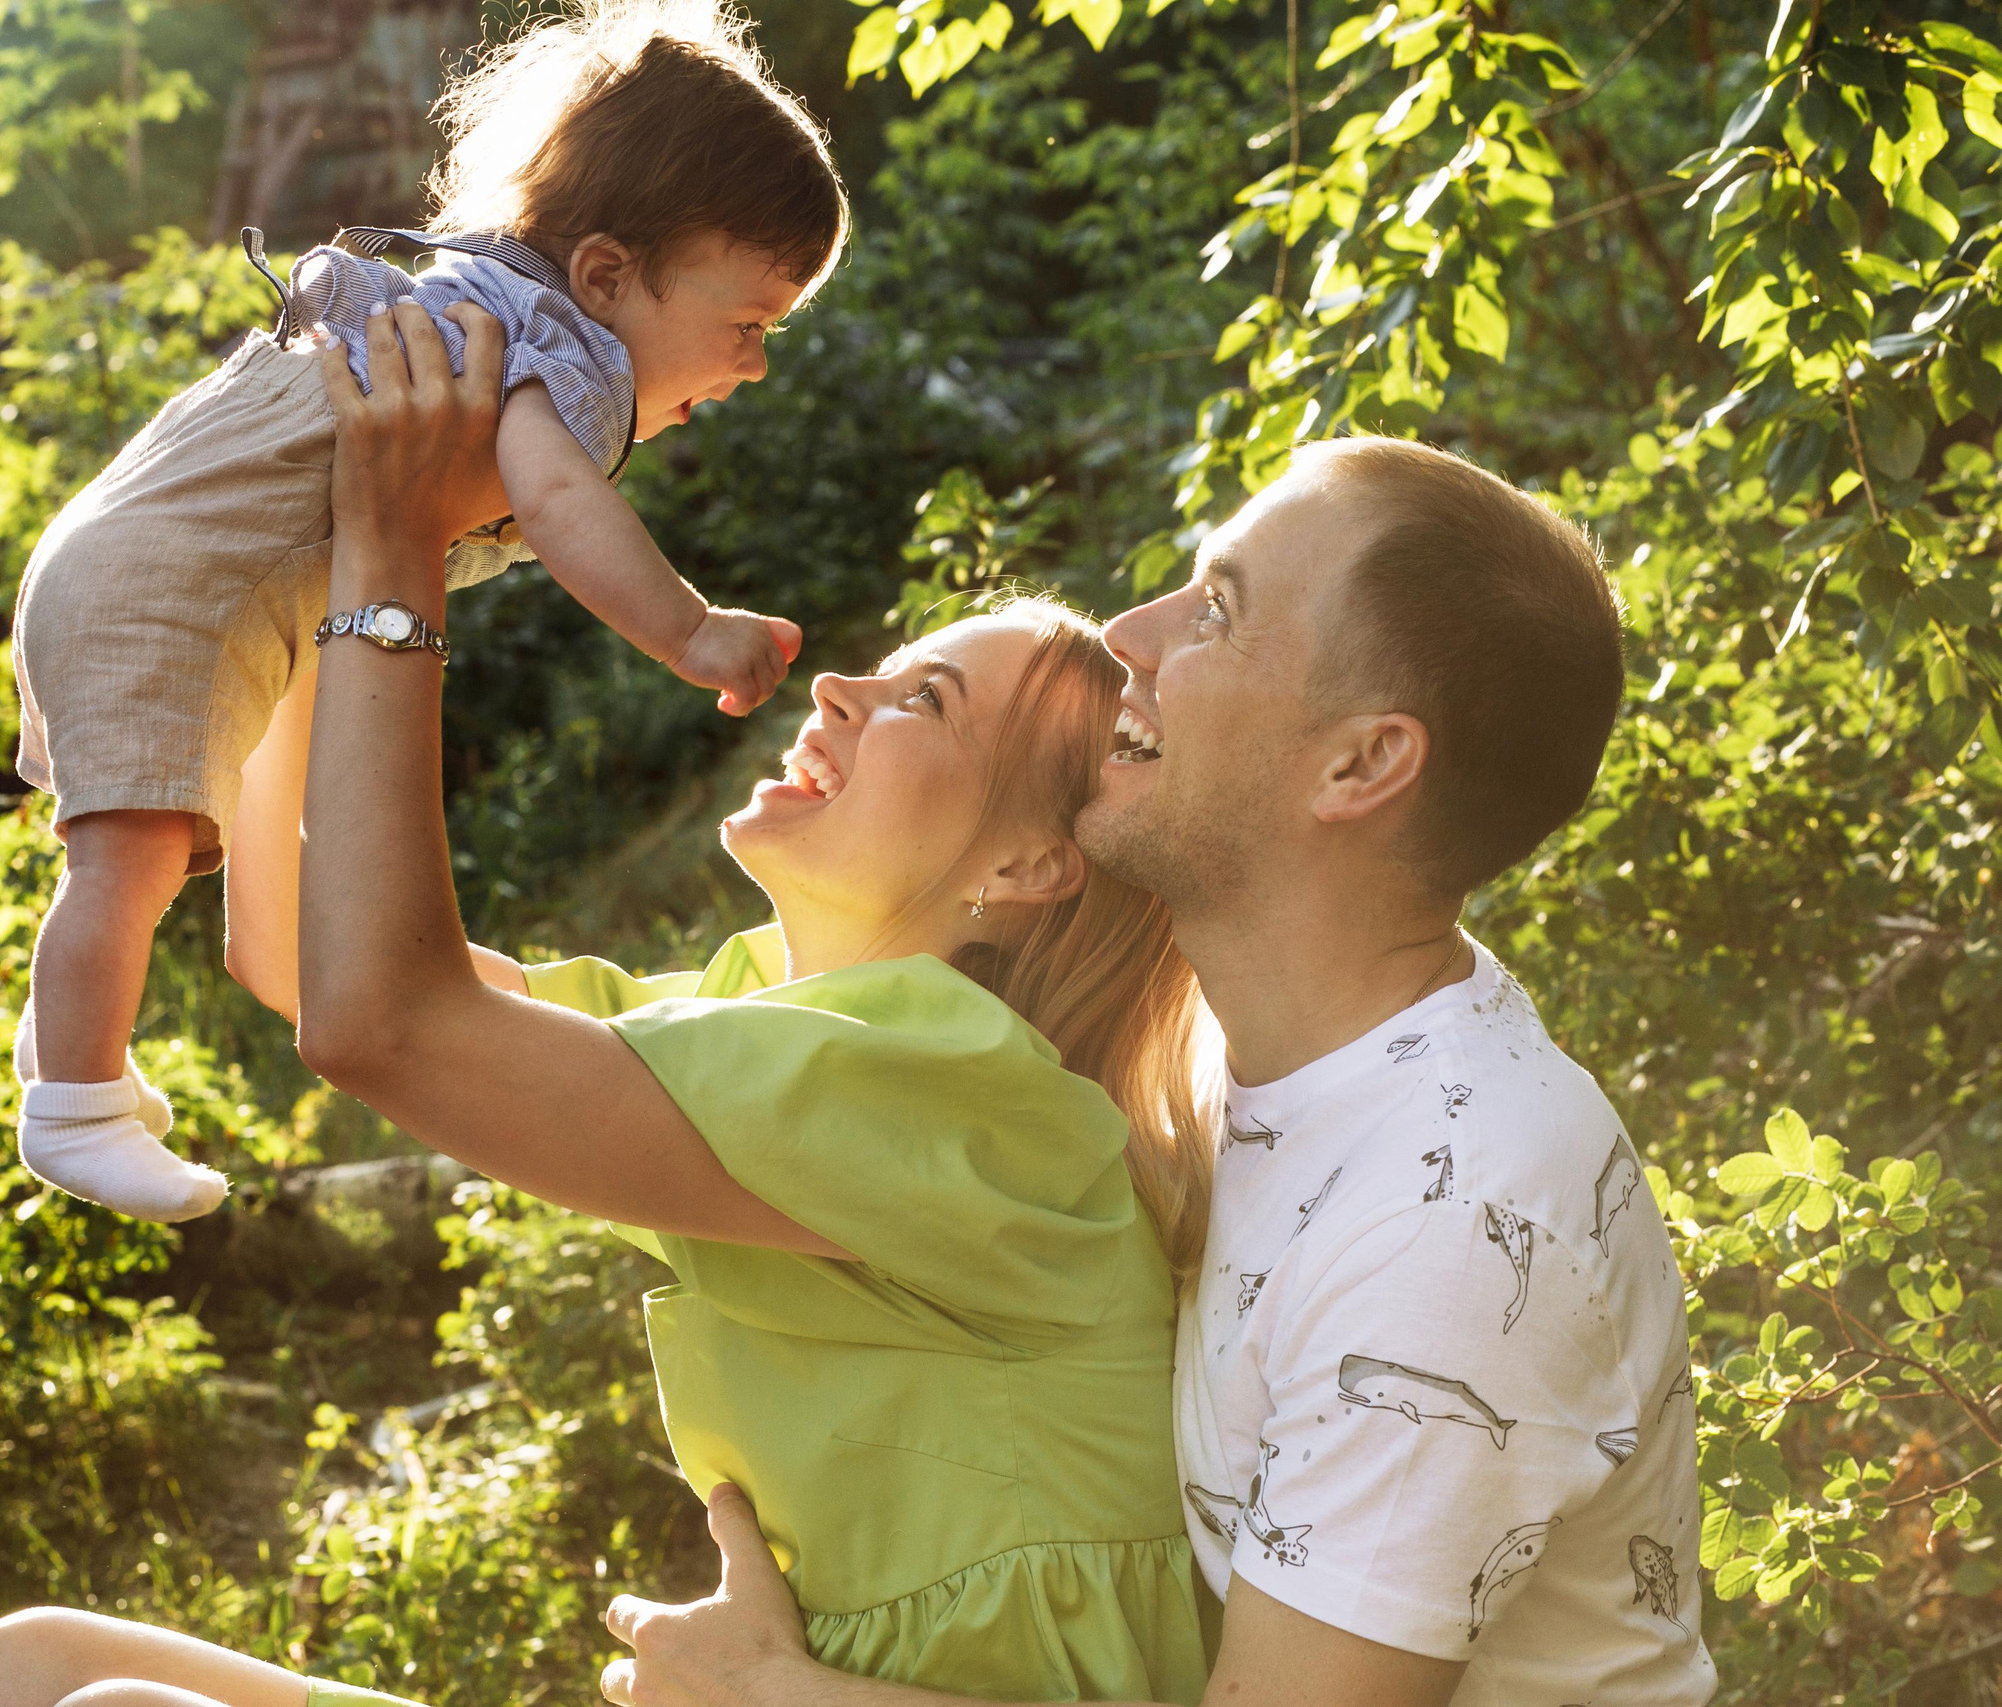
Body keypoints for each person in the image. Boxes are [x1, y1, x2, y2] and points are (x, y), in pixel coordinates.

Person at [0, 294, 1225, 1707]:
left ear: (1032, 862)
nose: (841, 685)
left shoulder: (955, 1082)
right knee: (33, 1658)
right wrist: (294, 551)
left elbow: (383, 1020)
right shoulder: (770, 1012)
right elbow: (304, 961)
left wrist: (395, 551)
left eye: (926, 702)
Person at [597, 440, 1717, 1706]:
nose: (1130, 629)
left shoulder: (1449, 1230)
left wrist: (763, 1695)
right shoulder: (1282, 1070)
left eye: (1217, 610)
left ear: (1359, 766)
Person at [4, 0, 843, 1224]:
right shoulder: (535, 351)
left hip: (146, 557)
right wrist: (692, 630)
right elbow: (561, 509)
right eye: (747, 325)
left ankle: (67, 1061)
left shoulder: (480, 305)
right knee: (124, 859)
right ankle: (72, 1109)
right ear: (606, 274)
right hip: (167, 584)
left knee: (126, 861)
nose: (754, 366)